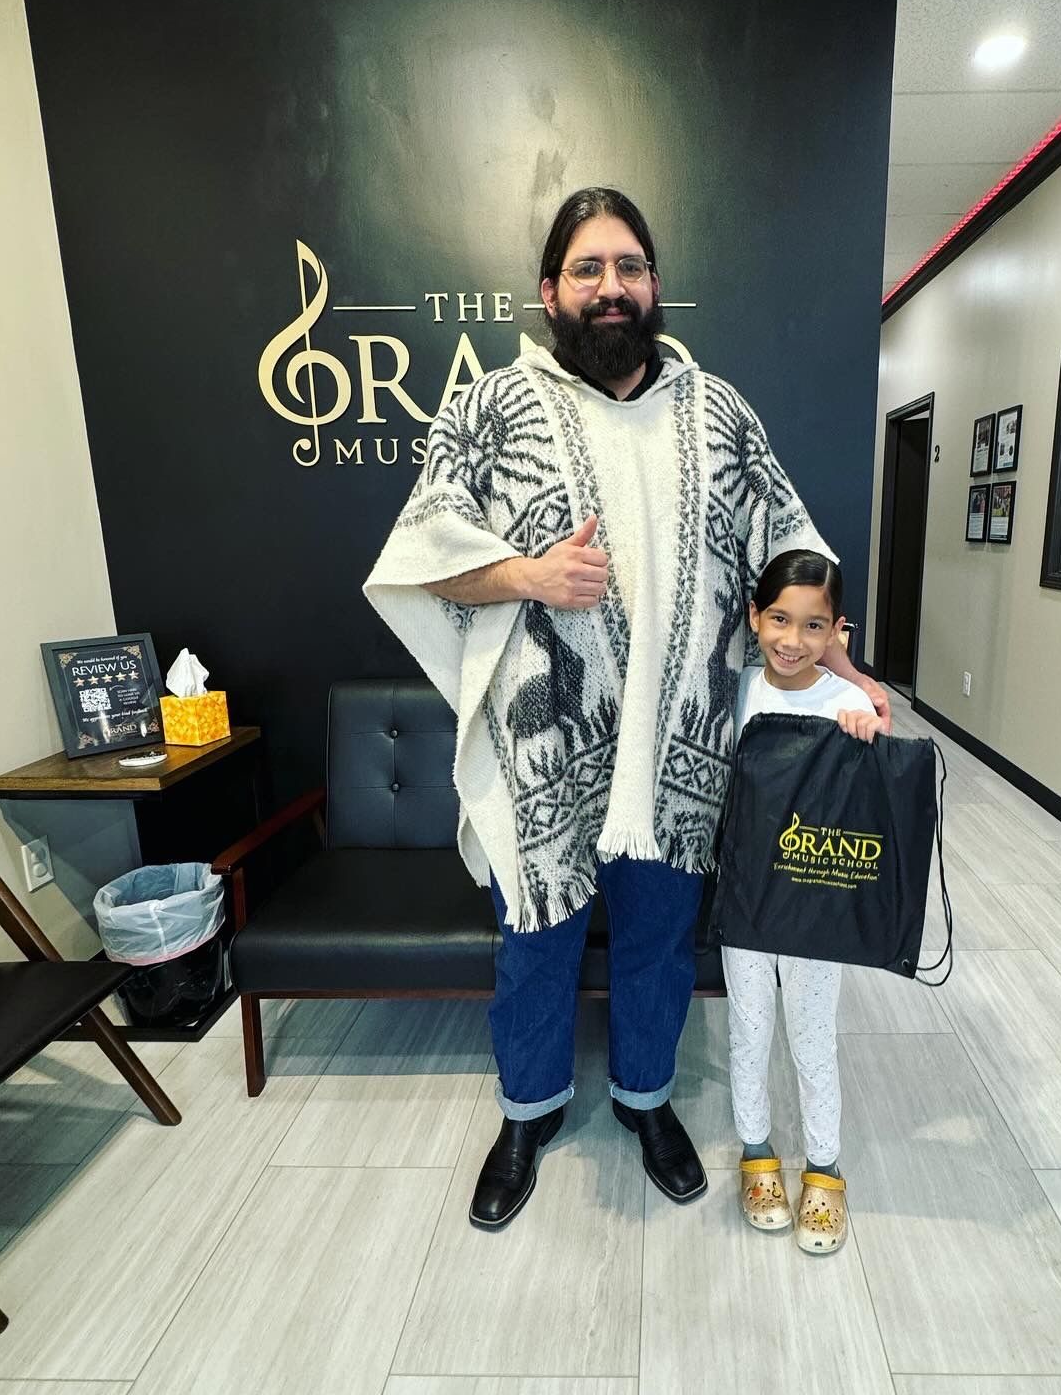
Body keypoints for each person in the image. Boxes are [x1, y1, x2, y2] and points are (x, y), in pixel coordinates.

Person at [363, 187, 889, 1231]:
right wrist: (527, 574)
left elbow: (794, 552)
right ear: (550, 290)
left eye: (631, 267)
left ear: (655, 286)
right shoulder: (490, 409)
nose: (612, 287)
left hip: (681, 749)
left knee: (657, 943)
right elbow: (419, 565)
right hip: (545, 745)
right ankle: (528, 1115)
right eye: (589, 269)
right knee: (536, 940)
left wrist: (845, 671)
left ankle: (646, 1103)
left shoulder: (720, 410)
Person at [723, 550, 880, 1256]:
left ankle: (825, 1165)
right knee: (750, 1030)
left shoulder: (846, 704)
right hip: (748, 898)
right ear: (754, 617)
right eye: (779, 619)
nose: (792, 639)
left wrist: (868, 742)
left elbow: (865, 810)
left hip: (816, 904)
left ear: (836, 631)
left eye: (813, 625)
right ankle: (757, 1154)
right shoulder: (733, 695)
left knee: (813, 1037)